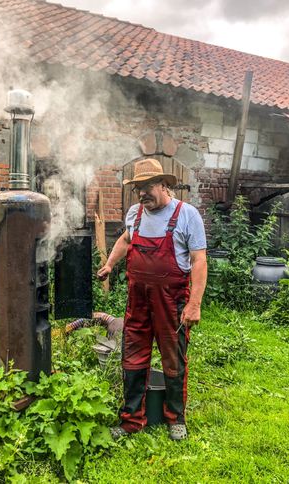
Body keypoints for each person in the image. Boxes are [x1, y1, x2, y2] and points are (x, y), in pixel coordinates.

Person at [97, 158, 207, 441]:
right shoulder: (135, 213)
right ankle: (131, 420)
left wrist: (194, 304)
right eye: (137, 188)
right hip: (138, 302)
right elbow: (126, 239)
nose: (141, 194)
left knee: (173, 360)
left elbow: (198, 261)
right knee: (132, 358)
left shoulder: (187, 214)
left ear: (163, 185)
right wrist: (110, 264)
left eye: (146, 187)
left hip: (172, 302)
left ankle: (175, 418)